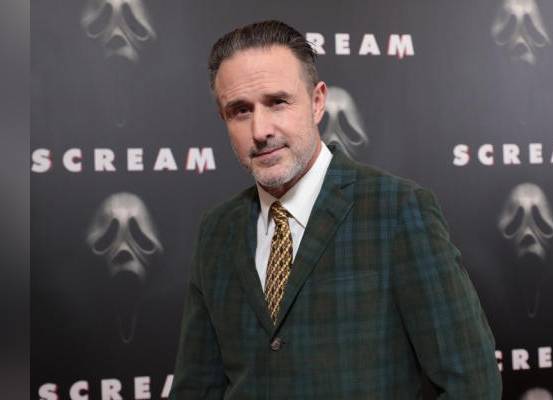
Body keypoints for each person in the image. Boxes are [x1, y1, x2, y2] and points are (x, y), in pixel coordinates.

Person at [171, 20, 501, 399]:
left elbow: (472, 384)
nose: (260, 130)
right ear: (224, 119)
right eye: (240, 111)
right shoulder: (218, 229)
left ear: (317, 102)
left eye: (277, 102)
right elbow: (196, 388)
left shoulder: (397, 210)